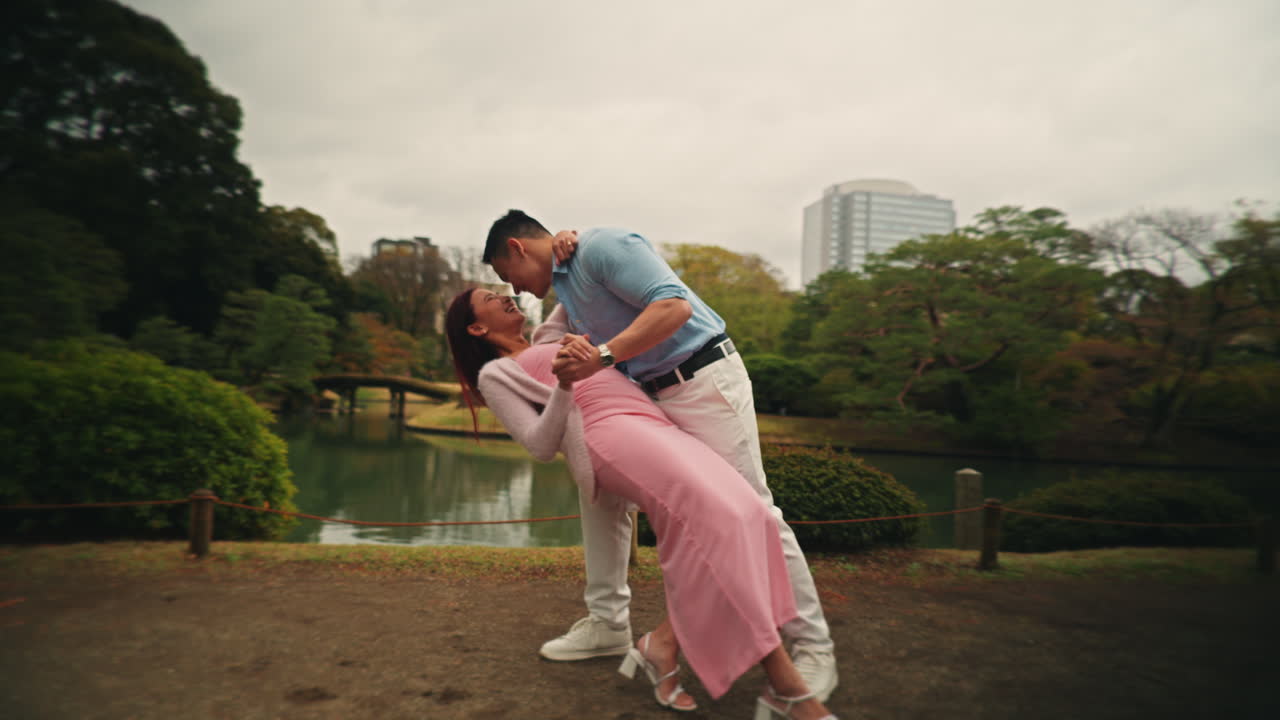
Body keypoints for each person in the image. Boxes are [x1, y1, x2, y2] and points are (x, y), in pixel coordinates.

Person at [482, 210, 839, 702]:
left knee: (754, 509)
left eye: (508, 276)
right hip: (651, 396)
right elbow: (546, 346)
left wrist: (603, 355)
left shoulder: (603, 247)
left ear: (517, 249)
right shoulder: (562, 287)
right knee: (624, 501)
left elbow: (674, 307)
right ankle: (619, 627)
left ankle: (813, 647)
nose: (516, 290)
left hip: (703, 378)